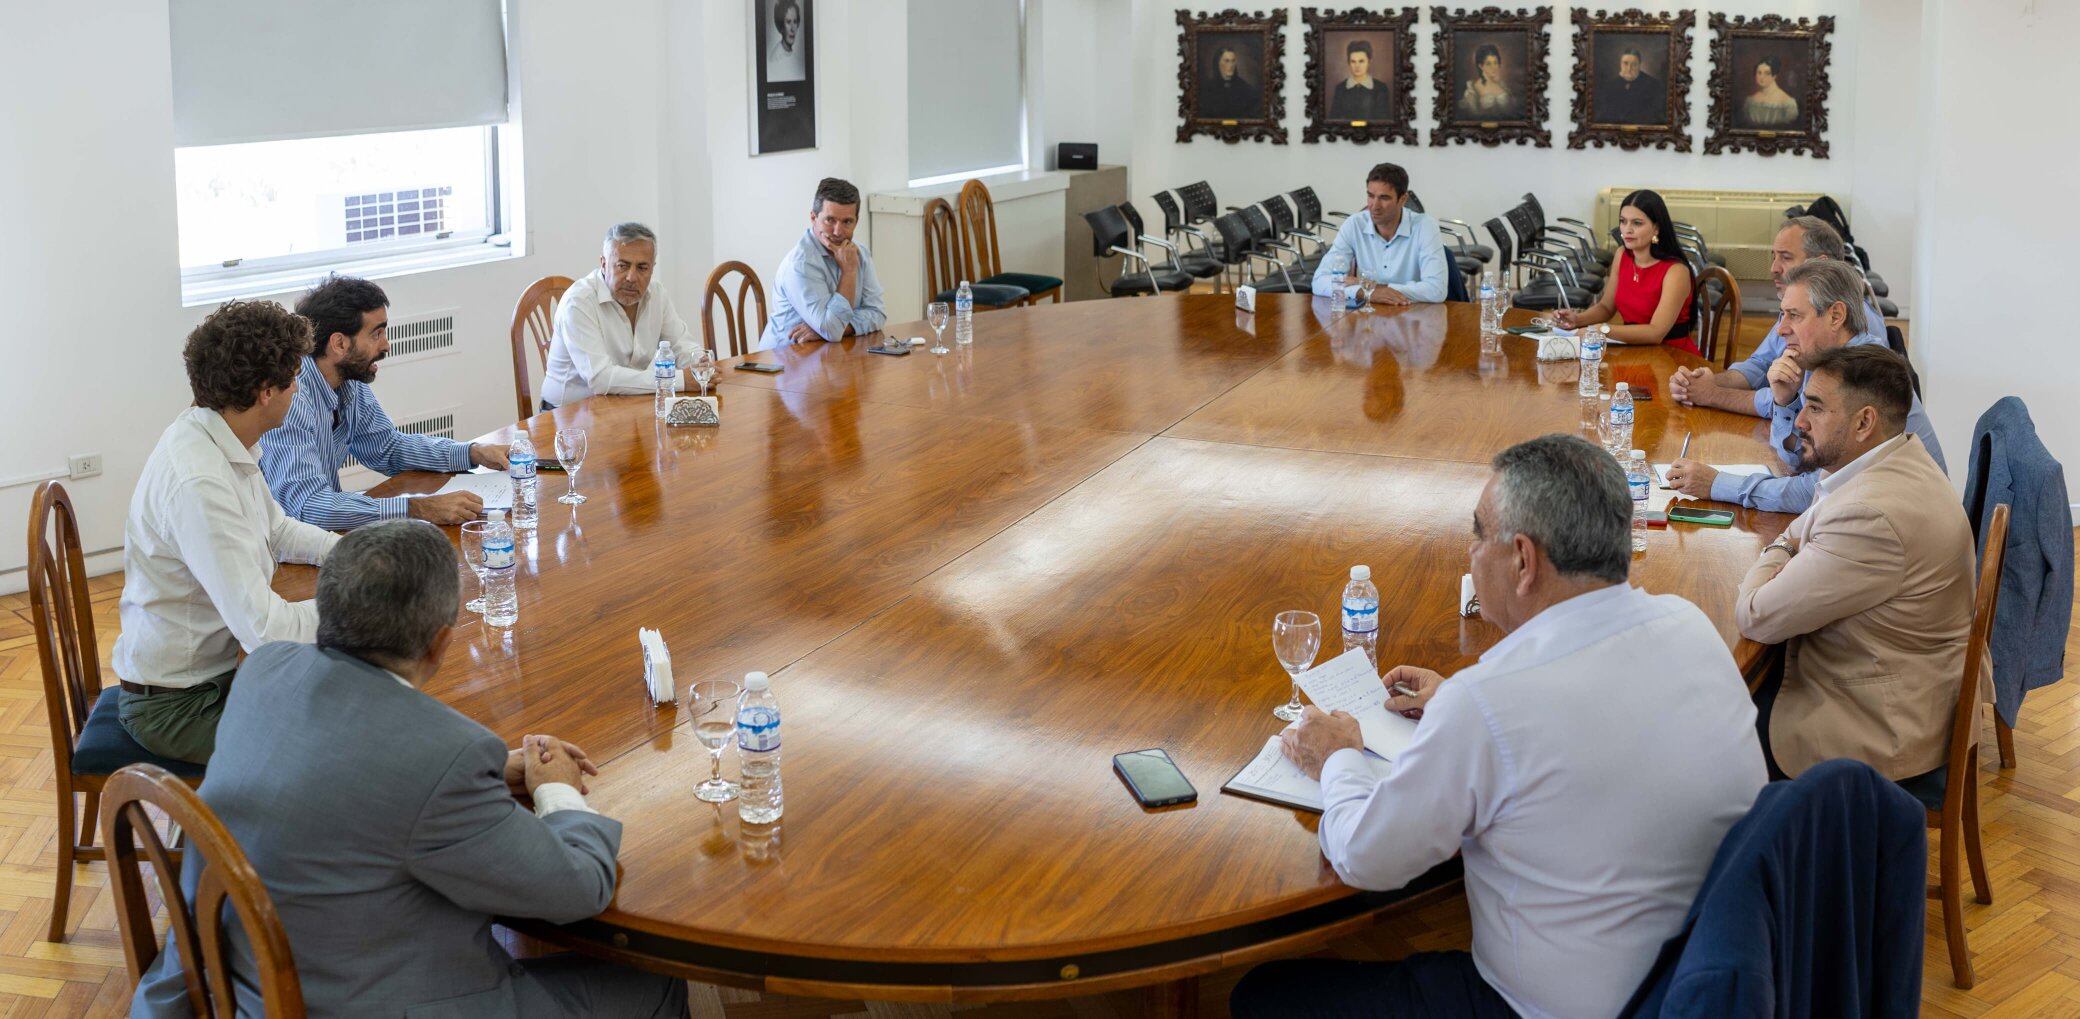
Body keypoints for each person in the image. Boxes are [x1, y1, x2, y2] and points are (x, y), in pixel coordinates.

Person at [1232, 434, 1766, 1019]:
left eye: (1477, 533)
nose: (1469, 551)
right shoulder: (1690, 627)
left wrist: (1337, 756)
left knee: (1263, 996)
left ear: (1522, 559)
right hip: (1709, 975)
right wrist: (1460, 711)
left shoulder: (1489, 702)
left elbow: (1367, 857)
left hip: (1551, 1009)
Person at [131, 521, 689, 1017]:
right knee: (658, 984)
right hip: (367, 1001)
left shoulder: (265, 669)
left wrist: (493, 772)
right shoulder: (443, 756)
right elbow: (579, 890)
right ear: (441, 642)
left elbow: (350, 771)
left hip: (244, 987)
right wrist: (560, 794)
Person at [1734, 346, 1978, 782]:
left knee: (1705, 734)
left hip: (1878, 720)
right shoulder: (1894, 457)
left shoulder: (1870, 515)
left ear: (1865, 422)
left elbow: (1755, 614)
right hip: (1901, 675)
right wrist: (1792, 544)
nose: (1801, 421)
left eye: (1815, 407)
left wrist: (1779, 551)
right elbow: (1804, 523)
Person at [113, 302, 341, 764]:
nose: (298, 389)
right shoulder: (200, 482)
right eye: (294, 378)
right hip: (178, 706)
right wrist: (362, 606)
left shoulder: (217, 432)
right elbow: (264, 630)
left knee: (343, 693)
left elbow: (276, 530)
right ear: (265, 391)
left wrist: (351, 554)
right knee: (333, 742)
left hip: (208, 677)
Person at [1666, 259, 1943, 512]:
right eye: (1782, 315)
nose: (1781, 329)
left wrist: (1717, 483)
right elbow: (1799, 461)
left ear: (1836, 316)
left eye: (1794, 316)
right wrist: (1784, 401)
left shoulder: (1861, 374)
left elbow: (1814, 491)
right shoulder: (1821, 361)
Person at [258, 275, 509, 530]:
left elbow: (387, 448)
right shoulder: (290, 399)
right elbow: (309, 507)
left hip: (322, 537)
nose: (386, 344)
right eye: (376, 334)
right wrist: (418, 508)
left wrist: (471, 452)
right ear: (339, 343)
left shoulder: (348, 380)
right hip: (279, 553)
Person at [1668, 216, 1885, 417]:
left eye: (1786, 257)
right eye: (1774, 257)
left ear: (1820, 263)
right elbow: (1760, 365)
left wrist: (1712, 394)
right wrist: (1702, 384)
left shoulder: (1853, 323)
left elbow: (1796, 407)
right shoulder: (1802, 307)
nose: (1773, 268)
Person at [540, 222, 704, 410]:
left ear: (652, 268)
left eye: (642, 267)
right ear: (603, 264)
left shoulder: (657, 294)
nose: (632, 277)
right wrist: (679, 380)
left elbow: (681, 345)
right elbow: (600, 379)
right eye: (622, 266)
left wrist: (699, 365)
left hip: (624, 406)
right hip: (567, 419)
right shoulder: (578, 302)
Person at [1554, 188, 1696, 352]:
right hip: (1633, 349)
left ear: (1656, 228)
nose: (1627, 229)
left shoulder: (1676, 271)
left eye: (1637, 223)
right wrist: (1577, 319)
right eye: (1623, 221)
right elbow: (1606, 307)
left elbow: (1655, 333)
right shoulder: (1623, 255)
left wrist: (1602, 330)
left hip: (1671, 355)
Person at [762, 177, 888, 346]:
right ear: (813, 217)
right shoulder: (801, 264)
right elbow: (832, 331)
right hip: (784, 363)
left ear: (856, 222)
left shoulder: (860, 253)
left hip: (829, 355)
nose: (838, 231)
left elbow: (877, 314)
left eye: (847, 222)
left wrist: (830, 329)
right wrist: (849, 272)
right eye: (830, 220)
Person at [1308, 162, 1449, 305]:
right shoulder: (1354, 224)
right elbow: (1319, 282)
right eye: (1370, 196)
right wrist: (1363, 291)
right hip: (1369, 318)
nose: (1374, 206)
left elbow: (1436, 290)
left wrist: (1371, 287)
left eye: (1384, 198)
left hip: (1413, 316)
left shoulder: (1425, 226)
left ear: (1403, 199)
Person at [1328, 39, 1393, 121]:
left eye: (1361, 61)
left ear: (1369, 62)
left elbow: (1384, 121)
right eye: (1353, 61)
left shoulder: (1380, 88)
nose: (1357, 66)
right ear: (1348, 63)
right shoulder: (1340, 88)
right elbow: (1333, 120)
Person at [1598, 46, 1666, 124]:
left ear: (1639, 65)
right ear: (1620, 64)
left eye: (1634, 64)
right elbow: (1605, 116)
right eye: (1625, 63)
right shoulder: (1611, 86)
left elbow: (1656, 117)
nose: (1629, 68)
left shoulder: (1653, 85)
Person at [1200, 45, 1263, 119]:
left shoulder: (1246, 89)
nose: (1231, 65)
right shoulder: (1207, 89)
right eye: (1226, 61)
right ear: (1218, 63)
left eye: (1233, 61)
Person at [1457, 43, 1514, 117]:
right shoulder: (1472, 90)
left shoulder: (1502, 85)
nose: (1494, 67)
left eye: (1495, 63)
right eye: (1488, 64)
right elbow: (1471, 116)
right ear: (1481, 66)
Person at [1741, 56, 1799, 127]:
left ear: (1774, 76)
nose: (1762, 77)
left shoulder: (1788, 103)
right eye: (1759, 73)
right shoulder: (1750, 101)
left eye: (1767, 73)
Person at [765, 0, 806, 82]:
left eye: (795, 22)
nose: (793, 28)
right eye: (788, 22)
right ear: (781, 25)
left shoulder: (793, 56)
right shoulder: (775, 58)